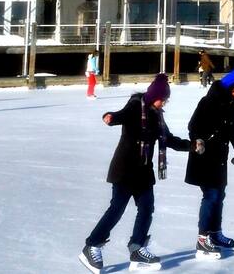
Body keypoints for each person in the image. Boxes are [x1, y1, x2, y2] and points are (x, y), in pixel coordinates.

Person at [80, 74, 191, 273]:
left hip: (143, 173)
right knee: (117, 209)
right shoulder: (134, 107)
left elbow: (169, 140)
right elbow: (120, 115)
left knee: (147, 209)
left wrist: (191, 146)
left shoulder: (157, 117)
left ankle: (137, 249)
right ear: (153, 96)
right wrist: (110, 117)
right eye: (163, 98)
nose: (164, 102)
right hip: (125, 170)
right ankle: (92, 245)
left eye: (166, 99)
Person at [186, 69, 234, 260]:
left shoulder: (233, 106)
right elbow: (193, 126)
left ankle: (215, 233)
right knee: (211, 195)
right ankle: (202, 239)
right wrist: (200, 141)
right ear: (232, 86)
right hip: (204, 156)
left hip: (220, 158)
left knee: (219, 195)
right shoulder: (209, 102)